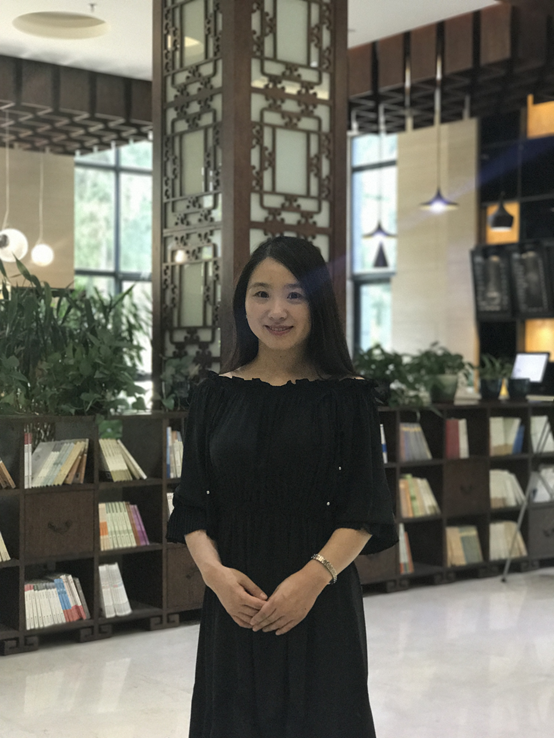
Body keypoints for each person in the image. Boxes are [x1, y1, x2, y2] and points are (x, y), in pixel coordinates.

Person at [167, 236, 398, 738]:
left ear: (318, 304)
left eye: (295, 294)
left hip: (319, 599)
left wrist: (311, 580)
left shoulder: (349, 398)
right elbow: (192, 504)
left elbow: (365, 509)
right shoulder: (214, 395)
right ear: (242, 304)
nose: (277, 310)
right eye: (262, 294)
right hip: (235, 602)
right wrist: (215, 577)